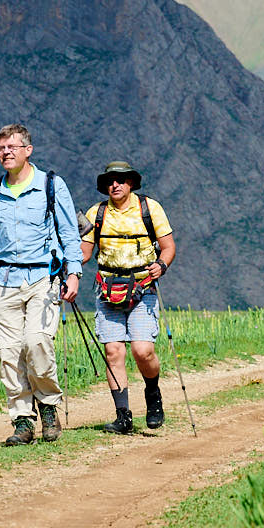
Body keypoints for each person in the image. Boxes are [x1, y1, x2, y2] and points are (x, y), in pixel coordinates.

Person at [0, 124, 81, 445]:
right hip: (3, 281)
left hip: (43, 278)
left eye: (13, 147)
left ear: (28, 150)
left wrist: (73, 273)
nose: (6, 152)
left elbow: (70, 233)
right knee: (8, 351)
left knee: (37, 341)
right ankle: (22, 420)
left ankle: (47, 407)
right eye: (2, 148)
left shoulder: (51, 186)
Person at [79, 160, 177, 434]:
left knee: (142, 351)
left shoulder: (150, 208)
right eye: (111, 180)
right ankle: (123, 416)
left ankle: (153, 393)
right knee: (113, 351)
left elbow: (168, 247)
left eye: (121, 180)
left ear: (131, 182)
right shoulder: (96, 213)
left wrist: (162, 265)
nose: (115, 184)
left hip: (142, 287)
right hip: (107, 289)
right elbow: (86, 252)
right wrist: (69, 262)